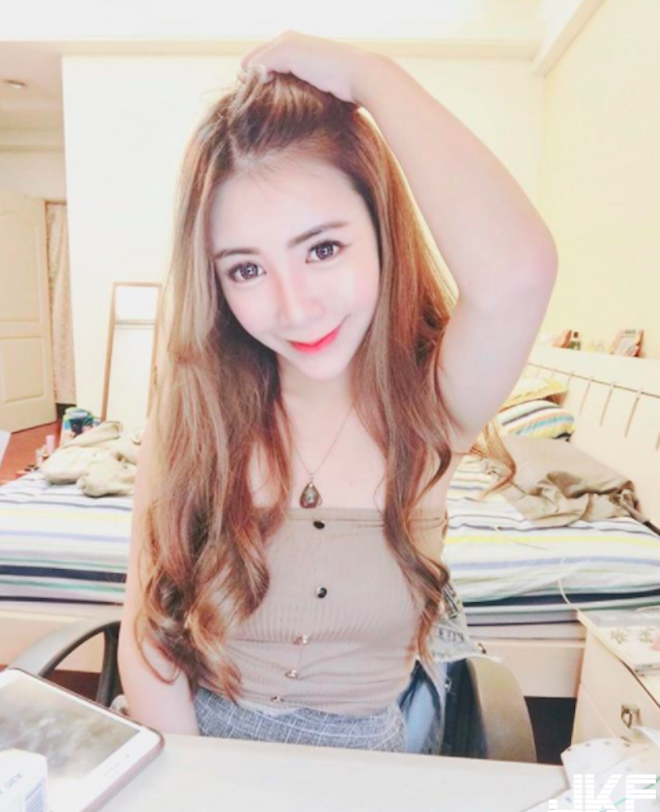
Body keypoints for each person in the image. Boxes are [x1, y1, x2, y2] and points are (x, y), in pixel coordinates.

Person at [117, 31, 558, 754]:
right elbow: (149, 636)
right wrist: (192, 784)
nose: (295, 309)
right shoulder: (196, 412)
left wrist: (370, 76)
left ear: (379, 231)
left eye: (322, 249)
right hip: (195, 750)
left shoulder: (432, 405)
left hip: (364, 771)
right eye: (246, 270)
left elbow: (519, 273)